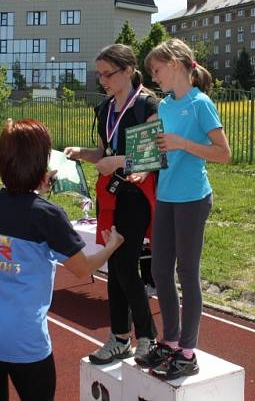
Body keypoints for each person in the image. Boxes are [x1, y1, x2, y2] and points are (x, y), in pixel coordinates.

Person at [0, 119, 124, 401]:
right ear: (41, 164)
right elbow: (83, 268)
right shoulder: (46, 215)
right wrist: (112, 245)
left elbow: (13, 206)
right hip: (24, 343)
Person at [137, 38, 231, 380]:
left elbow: (223, 153)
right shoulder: (163, 106)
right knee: (160, 271)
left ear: (176, 64)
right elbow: (160, 152)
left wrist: (183, 144)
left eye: (156, 70)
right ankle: (171, 341)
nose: (154, 76)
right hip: (166, 196)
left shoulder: (200, 103)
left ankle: (188, 351)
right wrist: (144, 168)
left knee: (186, 273)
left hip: (193, 198)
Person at [64, 44, 160, 365]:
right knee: (114, 268)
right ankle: (120, 337)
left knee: (124, 266)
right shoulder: (105, 109)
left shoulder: (146, 105)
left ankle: (146, 336)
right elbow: (104, 154)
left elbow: (151, 157)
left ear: (129, 71)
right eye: (99, 74)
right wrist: (83, 153)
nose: (103, 80)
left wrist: (115, 160)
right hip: (111, 193)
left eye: (108, 73)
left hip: (137, 193)